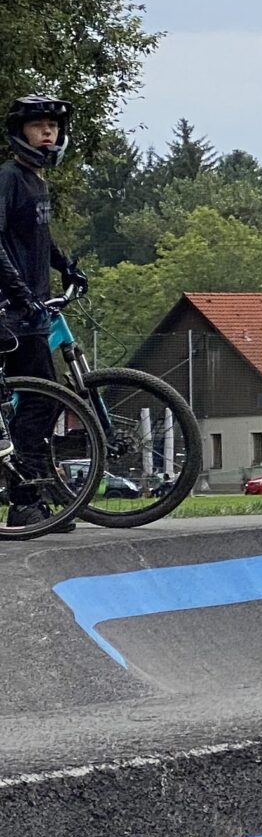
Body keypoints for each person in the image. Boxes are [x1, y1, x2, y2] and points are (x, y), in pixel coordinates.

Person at [1, 96, 84, 530]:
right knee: (41, 400)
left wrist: (67, 267)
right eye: (38, 126)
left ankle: (40, 499)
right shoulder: (9, 178)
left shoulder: (37, 182)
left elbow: (39, 238)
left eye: (52, 125)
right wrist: (18, 292)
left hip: (30, 310)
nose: (47, 132)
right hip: (11, 312)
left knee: (42, 401)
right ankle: (24, 503)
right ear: (21, 133)